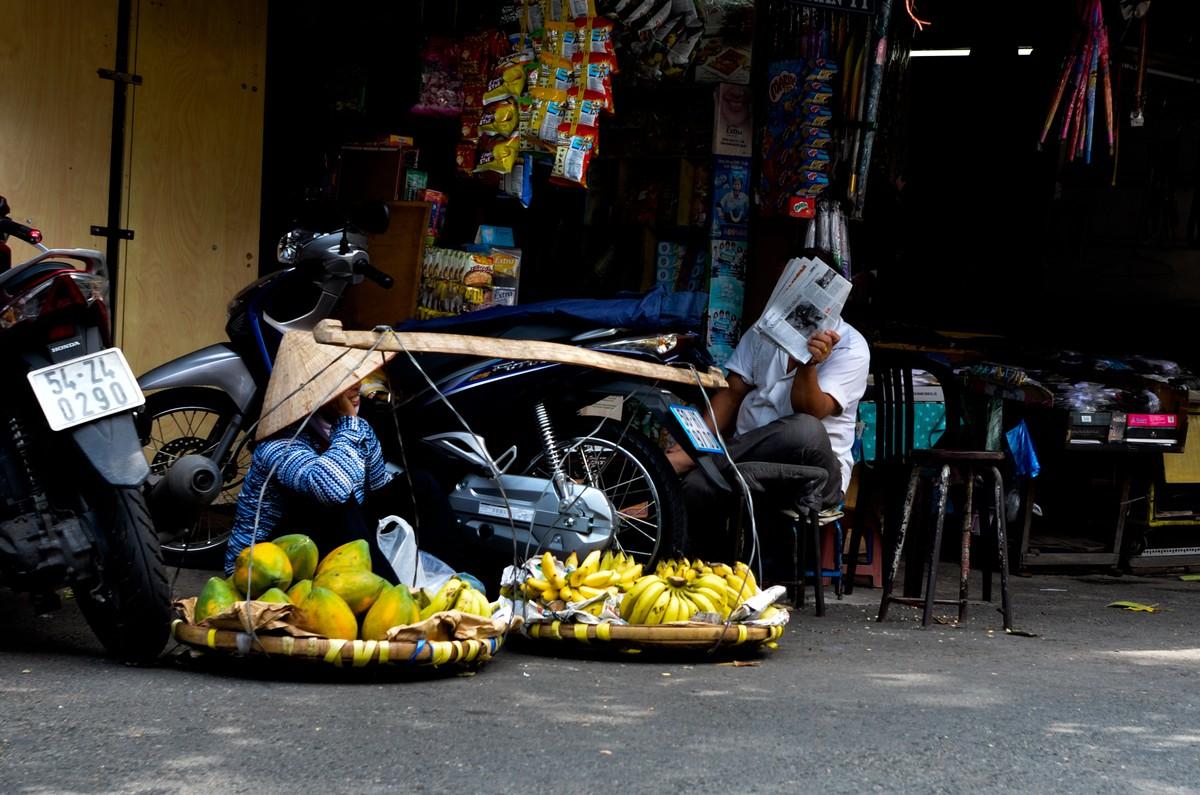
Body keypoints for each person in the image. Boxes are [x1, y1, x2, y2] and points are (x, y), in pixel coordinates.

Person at [667, 263, 870, 558]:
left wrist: (808, 363)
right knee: (699, 484)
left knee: (804, 428)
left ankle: (698, 460)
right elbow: (731, 394)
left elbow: (811, 410)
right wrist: (695, 441)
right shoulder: (764, 330)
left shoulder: (851, 347)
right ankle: (714, 573)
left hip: (813, 474)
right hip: (748, 462)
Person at [223, 332, 400, 578]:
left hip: (337, 542)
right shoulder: (279, 442)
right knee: (337, 499)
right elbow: (331, 489)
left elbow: (380, 487)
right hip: (264, 568)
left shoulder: (360, 430)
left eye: (356, 375)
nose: (357, 385)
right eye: (343, 380)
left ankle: (464, 581)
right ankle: (391, 591)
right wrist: (348, 420)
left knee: (420, 484)